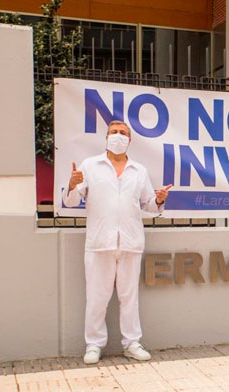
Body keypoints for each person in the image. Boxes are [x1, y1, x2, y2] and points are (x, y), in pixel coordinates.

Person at [63, 120, 171, 365]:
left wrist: (159, 199)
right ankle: (93, 344)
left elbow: (149, 206)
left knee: (129, 297)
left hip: (131, 243)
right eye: (114, 132)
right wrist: (71, 184)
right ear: (106, 137)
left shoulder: (138, 170)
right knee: (96, 297)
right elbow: (70, 202)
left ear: (130, 140)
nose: (118, 136)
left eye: (123, 133)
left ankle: (132, 343)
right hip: (99, 243)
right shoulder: (91, 166)